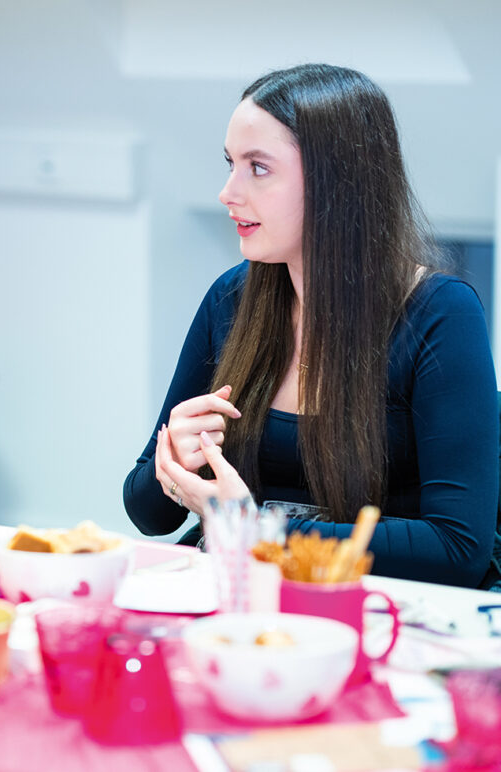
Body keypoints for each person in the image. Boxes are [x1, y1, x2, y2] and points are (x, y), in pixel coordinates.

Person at [123, 63, 499, 589]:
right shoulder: (231, 298)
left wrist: (256, 532)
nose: (227, 192)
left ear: (337, 183)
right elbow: (148, 515)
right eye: (231, 164)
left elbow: (458, 549)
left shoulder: (440, 314)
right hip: (242, 595)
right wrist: (171, 467)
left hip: (371, 607)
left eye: (258, 168)